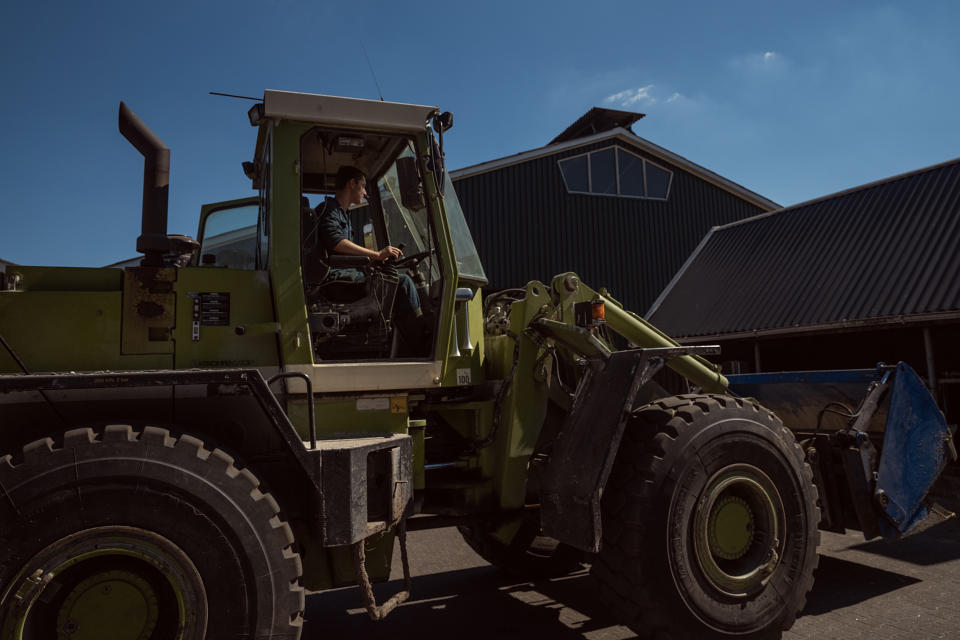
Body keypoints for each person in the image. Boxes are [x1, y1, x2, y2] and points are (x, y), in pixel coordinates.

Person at [306, 165, 425, 350]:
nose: (366, 193)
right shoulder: (329, 209)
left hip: (346, 276)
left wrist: (375, 261)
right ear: (351, 184)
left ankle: (404, 340)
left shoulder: (342, 213)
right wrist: (376, 255)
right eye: (363, 186)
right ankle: (421, 342)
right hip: (337, 280)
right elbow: (336, 242)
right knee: (402, 283)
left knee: (394, 281)